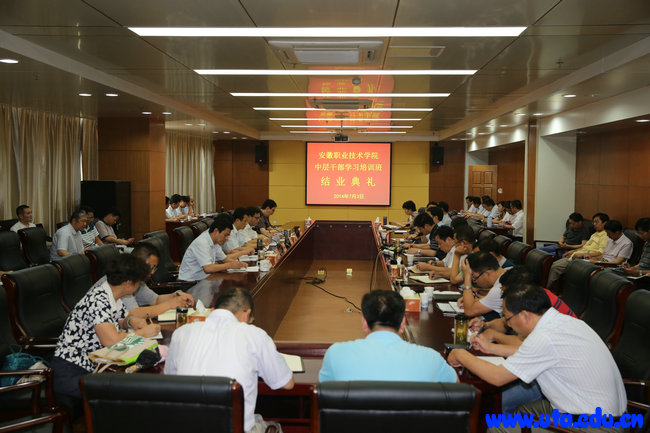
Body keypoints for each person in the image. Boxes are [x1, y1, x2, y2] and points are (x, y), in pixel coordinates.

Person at [448, 283, 626, 432]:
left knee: (498, 428)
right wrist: (492, 348)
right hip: (608, 414)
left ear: (524, 315)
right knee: (523, 410)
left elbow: (497, 377)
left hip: (593, 425)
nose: (508, 324)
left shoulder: (544, 337)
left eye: (507, 319)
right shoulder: (562, 322)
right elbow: (538, 354)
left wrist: (460, 354)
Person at [165, 287, 294, 433]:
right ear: (246, 314)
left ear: (212, 310)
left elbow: (171, 380)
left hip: (187, 426)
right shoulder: (254, 335)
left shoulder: (182, 332)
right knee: (274, 427)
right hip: (234, 428)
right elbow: (286, 383)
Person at [51, 254, 161, 399]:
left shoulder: (112, 295)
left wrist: (131, 321)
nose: (139, 285)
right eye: (138, 282)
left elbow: (121, 320)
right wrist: (143, 333)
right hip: (74, 372)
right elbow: (111, 340)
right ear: (128, 283)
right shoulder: (98, 300)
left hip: (95, 366)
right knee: (129, 393)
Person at [319, 290, 457, 383]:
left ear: (364, 323)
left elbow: (323, 397)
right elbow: (457, 395)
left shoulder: (335, 354)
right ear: (402, 324)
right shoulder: (431, 359)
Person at [88, 243, 194, 320]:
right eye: (151, 267)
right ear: (138, 262)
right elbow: (133, 313)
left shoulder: (137, 280)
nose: (152, 272)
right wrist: (170, 305)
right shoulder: (122, 280)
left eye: (155, 268)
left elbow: (155, 300)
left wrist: (176, 295)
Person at [178, 213, 252, 281]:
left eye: (228, 235)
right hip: (190, 283)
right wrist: (230, 265)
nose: (227, 238)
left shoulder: (215, 241)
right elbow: (208, 268)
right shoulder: (202, 242)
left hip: (206, 279)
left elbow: (224, 259)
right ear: (216, 231)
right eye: (225, 235)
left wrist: (240, 264)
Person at [546, 213, 610, 291]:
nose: (594, 224)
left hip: (584, 258)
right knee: (553, 264)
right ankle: (551, 288)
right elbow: (584, 247)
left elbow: (600, 252)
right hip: (576, 255)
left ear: (605, 223)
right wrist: (573, 251)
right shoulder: (595, 234)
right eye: (593, 222)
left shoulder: (606, 236)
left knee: (556, 267)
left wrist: (582, 254)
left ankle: (547, 289)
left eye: (596, 222)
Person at [458, 251, 507, 317]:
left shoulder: (498, 289)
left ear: (486, 274)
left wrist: (467, 276)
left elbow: (469, 311)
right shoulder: (507, 271)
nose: (475, 282)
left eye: (474, 277)